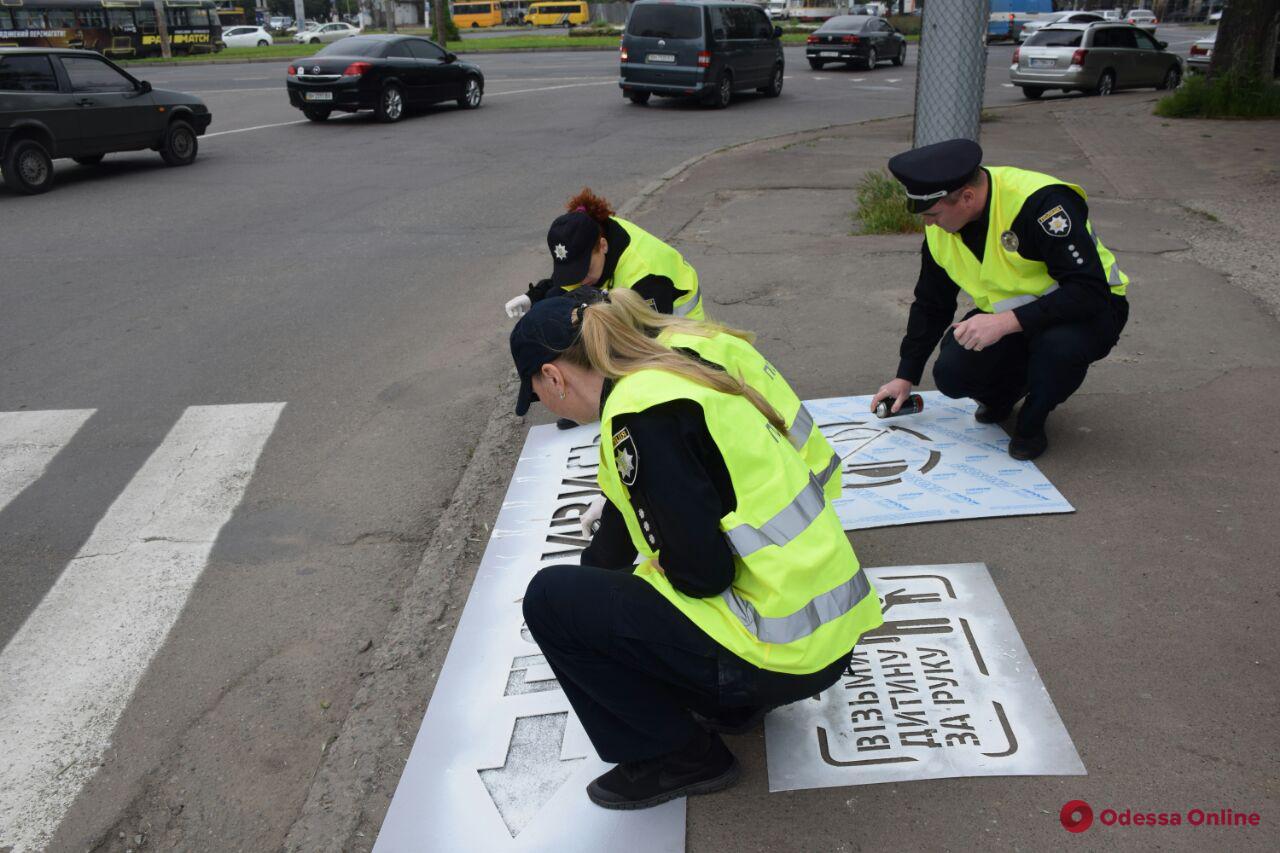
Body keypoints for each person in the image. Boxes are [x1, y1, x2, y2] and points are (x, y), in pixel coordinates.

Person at [510, 291, 883, 810]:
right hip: (825, 637)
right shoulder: (678, 372)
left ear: (554, 376)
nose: (547, 407)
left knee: (550, 598)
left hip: (778, 653)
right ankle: (732, 706)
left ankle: (678, 756)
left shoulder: (639, 416)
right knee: (629, 586)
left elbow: (702, 575)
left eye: (538, 395)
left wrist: (649, 574)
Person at [870, 138, 1130, 461]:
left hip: (1089, 310)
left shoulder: (1040, 204)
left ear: (966, 197)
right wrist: (905, 375)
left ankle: (1033, 419)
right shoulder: (942, 225)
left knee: (1058, 350)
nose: (928, 223)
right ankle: (1004, 395)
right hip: (1016, 315)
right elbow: (931, 303)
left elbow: (1088, 290)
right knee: (952, 371)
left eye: (933, 214)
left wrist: (1004, 322)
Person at [571, 287, 842, 554]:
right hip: (810, 493)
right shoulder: (678, 340)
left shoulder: (652, 386)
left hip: (784, 524)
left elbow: (682, 517)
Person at [504, 188, 704, 321]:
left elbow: (646, 344)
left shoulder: (645, 276)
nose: (580, 279)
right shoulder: (593, 239)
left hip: (680, 336)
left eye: (584, 270)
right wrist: (533, 298)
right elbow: (564, 287)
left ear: (603, 246)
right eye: (573, 271)